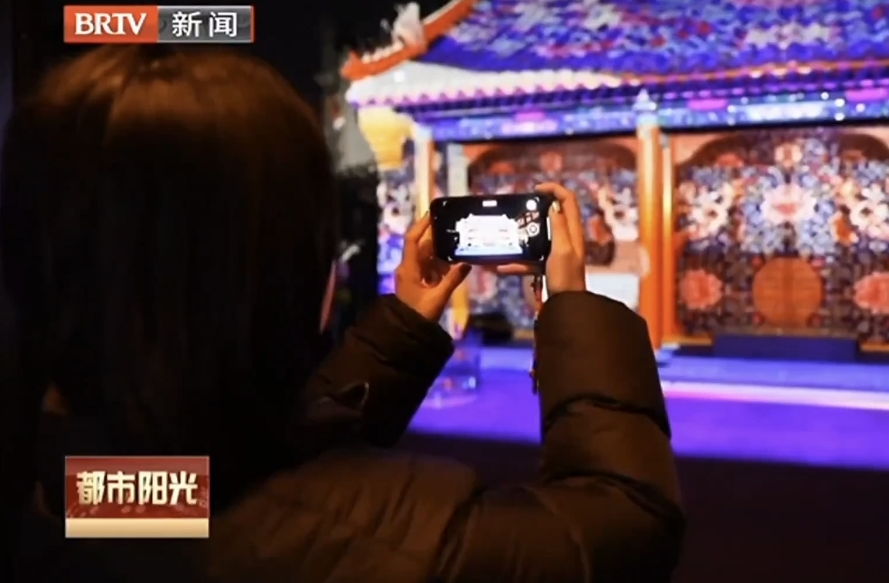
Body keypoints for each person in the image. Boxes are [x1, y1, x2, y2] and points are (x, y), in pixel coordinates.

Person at [3, 46, 684, 582]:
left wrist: (405, 324)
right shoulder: (397, 547)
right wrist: (572, 310)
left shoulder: (83, 487)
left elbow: (239, 480)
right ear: (292, 269)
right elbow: (624, 522)